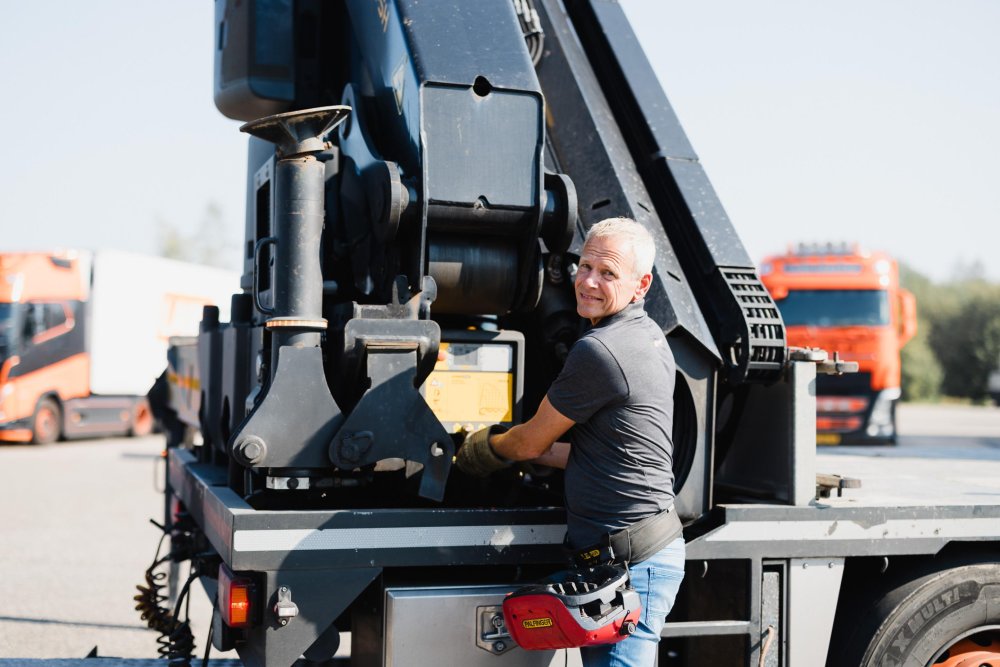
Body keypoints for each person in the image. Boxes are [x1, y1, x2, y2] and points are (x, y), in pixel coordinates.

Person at [456, 216, 685, 666]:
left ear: (642, 284)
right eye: (585, 266)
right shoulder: (647, 335)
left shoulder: (601, 350)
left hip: (631, 566)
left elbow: (526, 443)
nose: (588, 282)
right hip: (632, 555)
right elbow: (601, 452)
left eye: (608, 274)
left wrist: (478, 451)